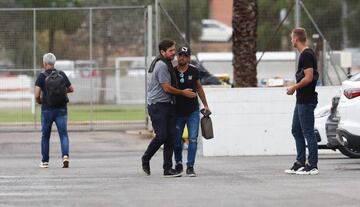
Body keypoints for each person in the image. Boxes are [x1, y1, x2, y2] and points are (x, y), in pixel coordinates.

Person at [141, 40, 196, 177]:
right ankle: (146, 158)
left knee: (171, 137)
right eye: (170, 51)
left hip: (168, 104)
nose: (173, 53)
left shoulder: (167, 63)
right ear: (162, 52)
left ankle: (167, 169)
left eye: (173, 50)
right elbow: (166, 87)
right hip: (158, 105)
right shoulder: (161, 65)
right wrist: (183, 92)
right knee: (162, 136)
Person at [285, 28, 319, 175]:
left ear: (296, 39)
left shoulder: (306, 55)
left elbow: (309, 77)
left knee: (308, 132)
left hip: (306, 100)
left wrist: (294, 87)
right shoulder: (306, 54)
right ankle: (300, 162)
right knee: (296, 130)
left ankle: (312, 165)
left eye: (292, 38)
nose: (291, 41)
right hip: (301, 100)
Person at [173, 46, 210, 177]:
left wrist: (205, 105)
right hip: (177, 112)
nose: (182, 58)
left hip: (192, 111)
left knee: (193, 139)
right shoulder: (172, 71)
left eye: (185, 55)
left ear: (188, 57)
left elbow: (199, 88)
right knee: (177, 140)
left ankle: (190, 166)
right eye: (180, 55)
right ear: (177, 56)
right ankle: (178, 164)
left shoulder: (194, 71)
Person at [35, 53, 74, 168]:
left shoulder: (41, 76)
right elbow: (71, 89)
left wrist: (40, 100)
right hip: (61, 109)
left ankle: (45, 161)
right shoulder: (61, 74)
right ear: (54, 63)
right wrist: (60, 92)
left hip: (47, 110)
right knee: (63, 134)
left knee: (45, 136)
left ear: (44, 63)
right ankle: (65, 156)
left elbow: (37, 94)